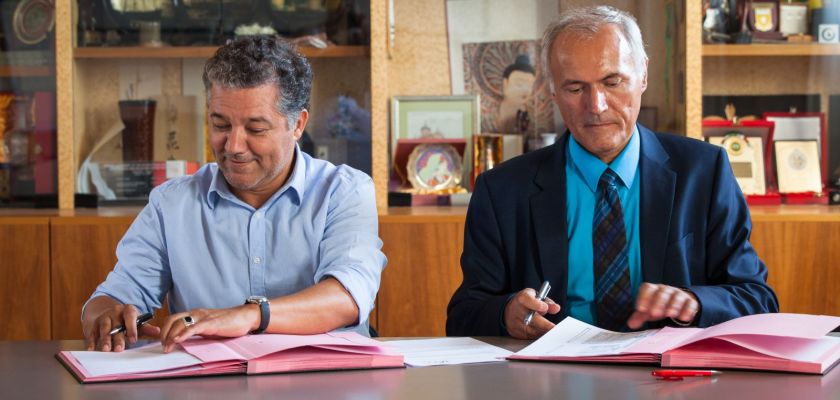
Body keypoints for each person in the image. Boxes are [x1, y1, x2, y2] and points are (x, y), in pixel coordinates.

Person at [447, 6, 778, 339]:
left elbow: (759, 299)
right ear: (552, 91)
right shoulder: (501, 190)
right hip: (553, 380)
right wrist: (506, 314)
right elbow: (464, 315)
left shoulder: (704, 173)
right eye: (575, 89)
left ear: (643, 75)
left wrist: (694, 302)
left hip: (671, 380)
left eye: (613, 82)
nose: (596, 106)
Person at [82, 36, 386, 352]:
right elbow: (113, 297)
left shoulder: (344, 191)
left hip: (326, 383)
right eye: (221, 124)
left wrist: (250, 316)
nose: (234, 146)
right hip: (208, 385)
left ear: (298, 125)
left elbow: (347, 296)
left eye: (255, 129)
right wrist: (106, 315)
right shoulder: (171, 204)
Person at [495, 54, 536, 134]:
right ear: (505, 83)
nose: (525, 91)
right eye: (519, 84)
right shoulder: (491, 114)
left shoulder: (528, 114)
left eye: (529, 86)